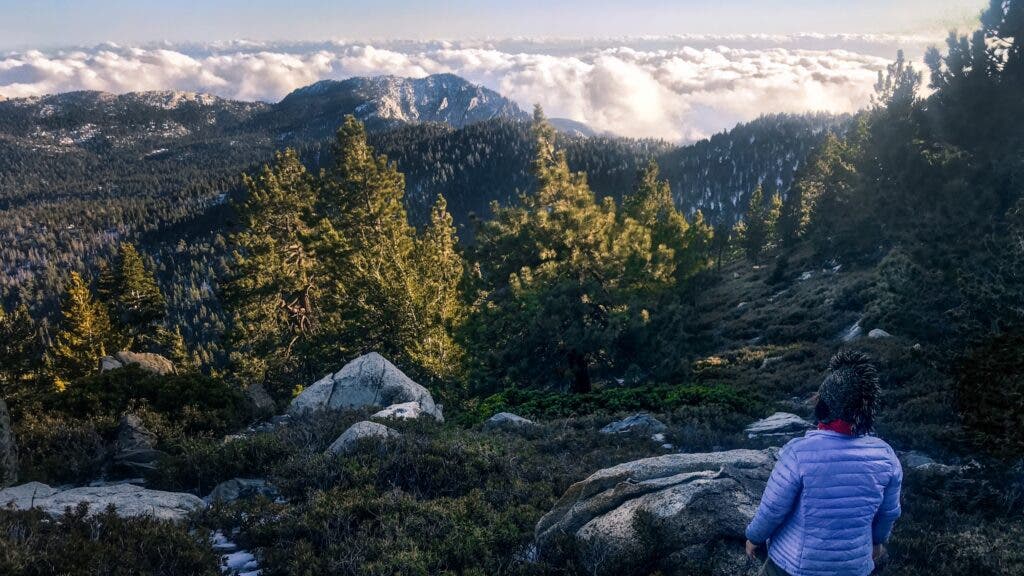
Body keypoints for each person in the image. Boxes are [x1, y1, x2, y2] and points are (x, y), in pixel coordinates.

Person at [744, 350, 903, 576]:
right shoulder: (885, 455)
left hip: (794, 565)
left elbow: (773, 508)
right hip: (854, 567)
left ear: (823, 408)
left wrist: (754, 537)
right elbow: (888, 513)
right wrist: (876, 542)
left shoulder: (799, 453)